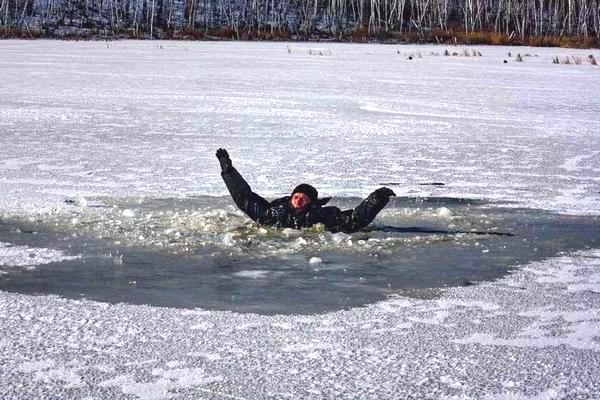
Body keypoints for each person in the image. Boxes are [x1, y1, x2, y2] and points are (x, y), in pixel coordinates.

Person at [216, 148, 396, 233]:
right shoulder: (273, 213)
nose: (299, 201)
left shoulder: (322, 215)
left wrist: (376, 199)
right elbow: (245, 198)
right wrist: (228, 172)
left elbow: (354, 221)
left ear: (312, 203)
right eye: (296, 197)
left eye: (304, 199)